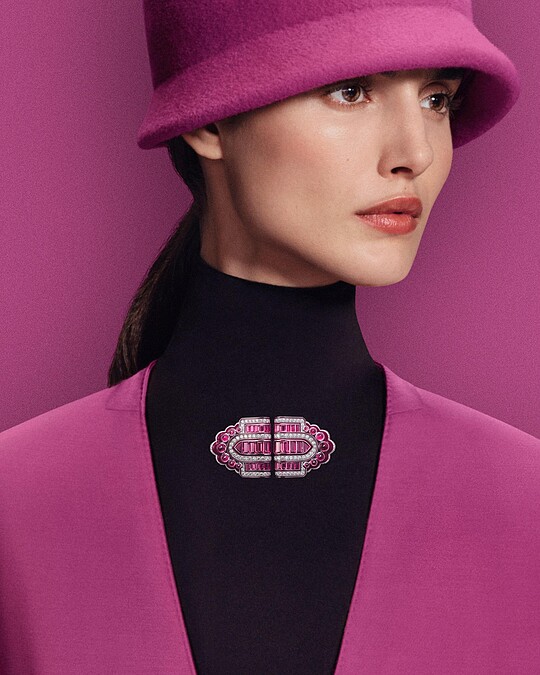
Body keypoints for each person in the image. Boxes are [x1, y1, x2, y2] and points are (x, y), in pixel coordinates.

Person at [0, 1, 538, 674]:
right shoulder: (16, 508)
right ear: (210, 120)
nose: (416, 153)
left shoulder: (525, 506)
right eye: (351, 91)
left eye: (436, 99)